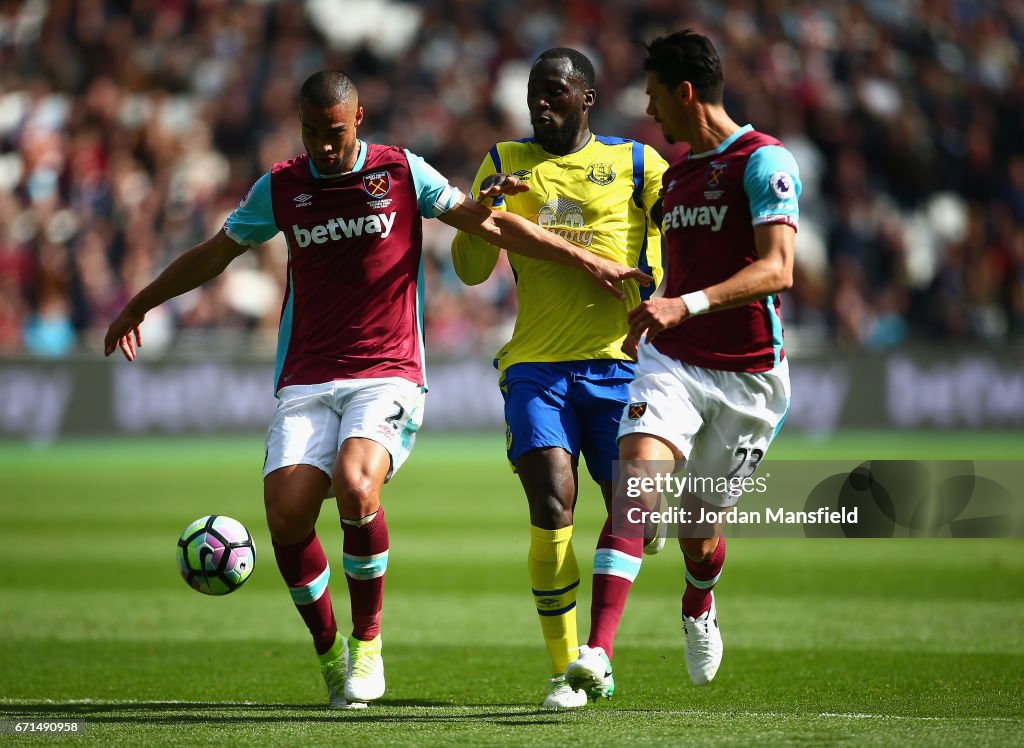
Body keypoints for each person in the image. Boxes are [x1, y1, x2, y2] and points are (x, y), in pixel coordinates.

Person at [104, 70, 652, 709]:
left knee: (356, 483)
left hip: (388, 370)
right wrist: (139, 303)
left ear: (357, 119)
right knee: (285, 515)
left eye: (333, 133)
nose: (322, 146)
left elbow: (491, 226)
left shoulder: (399, 172)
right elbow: (214, 253)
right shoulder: (281, 186)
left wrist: (588, 259)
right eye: (311, 132)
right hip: (306, 376)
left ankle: (368, 643)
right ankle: (329, 649)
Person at [564, 30, 800, 695]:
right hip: (673, 362)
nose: (650, 110)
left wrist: (684, 303)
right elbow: (678, 262)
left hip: (748, 377)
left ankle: (699, 602)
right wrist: (648, 290)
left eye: (655, 96)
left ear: (685, 93)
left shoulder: (763, 160)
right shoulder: (677, 177)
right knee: (635, 485)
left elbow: (777, 269)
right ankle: (599, 651)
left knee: (700, 533)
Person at [450, 48, 667, 708]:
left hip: (620, 368)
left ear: (587, 97)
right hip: (536, 368)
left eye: (554, 92)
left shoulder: (636, 163)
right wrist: (483, 212)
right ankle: (568, 669)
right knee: (551, 502)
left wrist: (657, 290)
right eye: (532, 93)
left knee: (639, 515)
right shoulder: (505, 162)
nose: (540, 103)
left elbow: (676, 239)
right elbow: (467, 269)